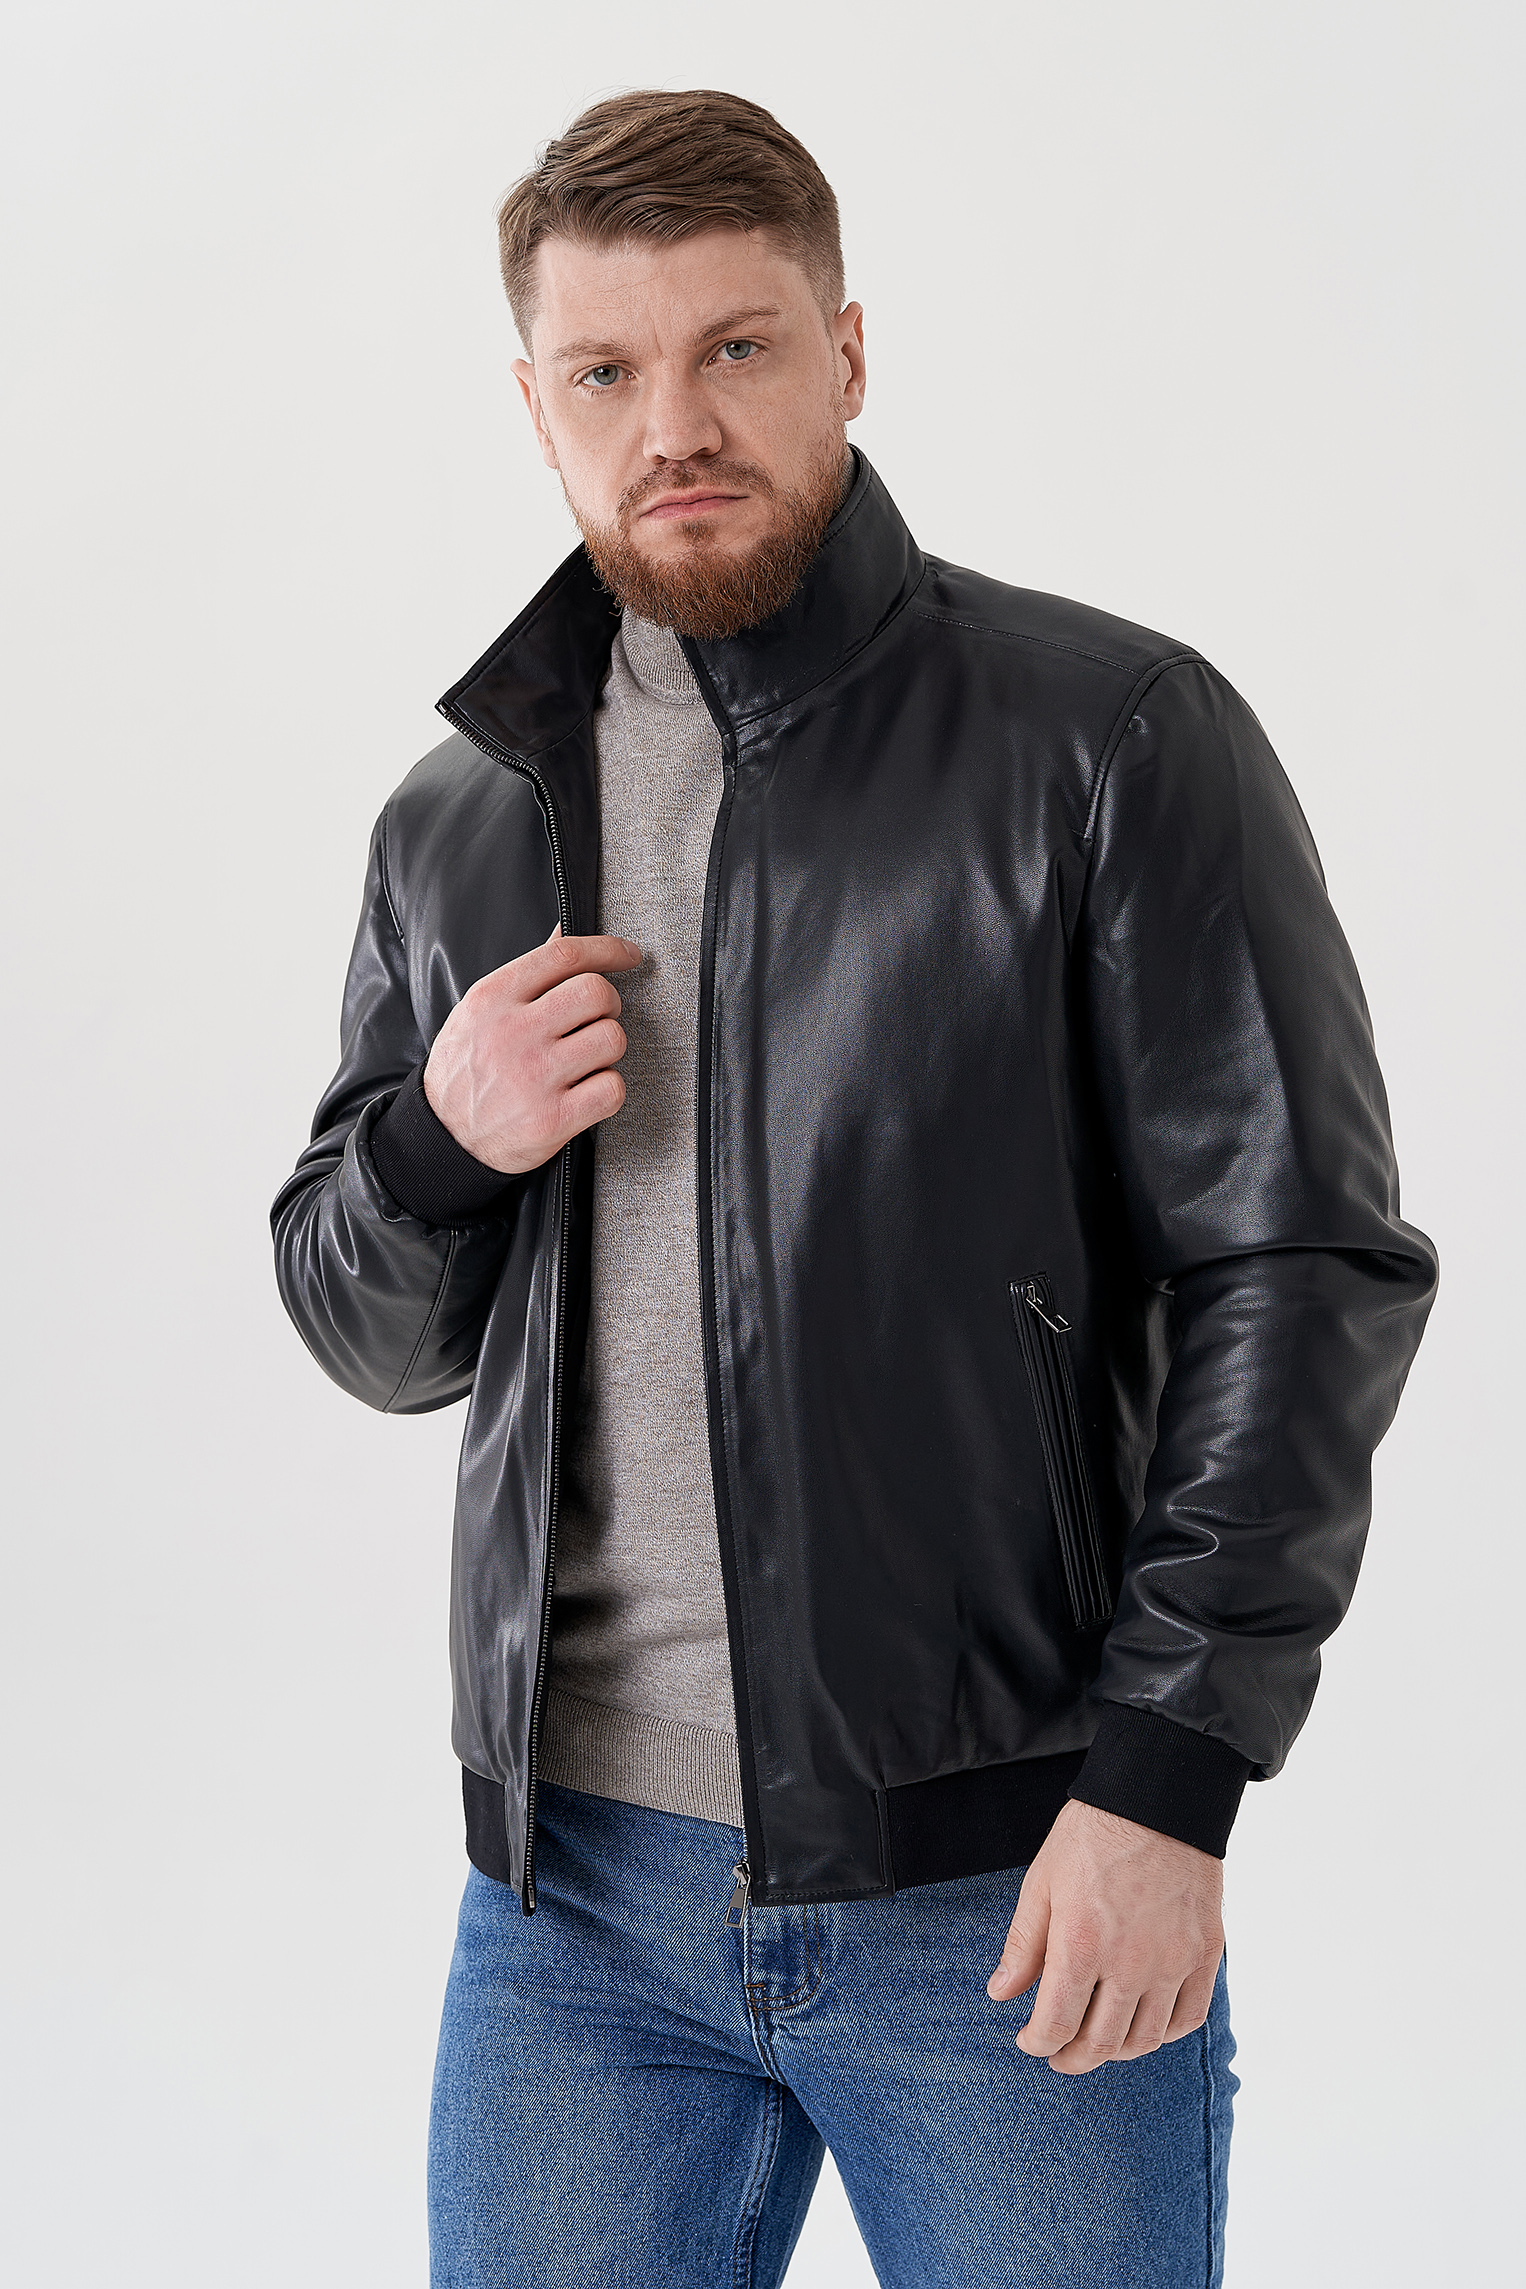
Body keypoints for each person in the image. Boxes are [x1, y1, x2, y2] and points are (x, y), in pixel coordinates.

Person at [271, 87, 1436, 2289]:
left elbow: (1301, 1266)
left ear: (849, 353)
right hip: (568, 1905)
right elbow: (367, 1325)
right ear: (533, 406)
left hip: (1005, 1879)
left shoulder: (1106, 736)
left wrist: (1167, 1775)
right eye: (605, 371)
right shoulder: (462, 814)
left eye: (738, 347)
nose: (674, 424)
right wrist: (439, 1137)